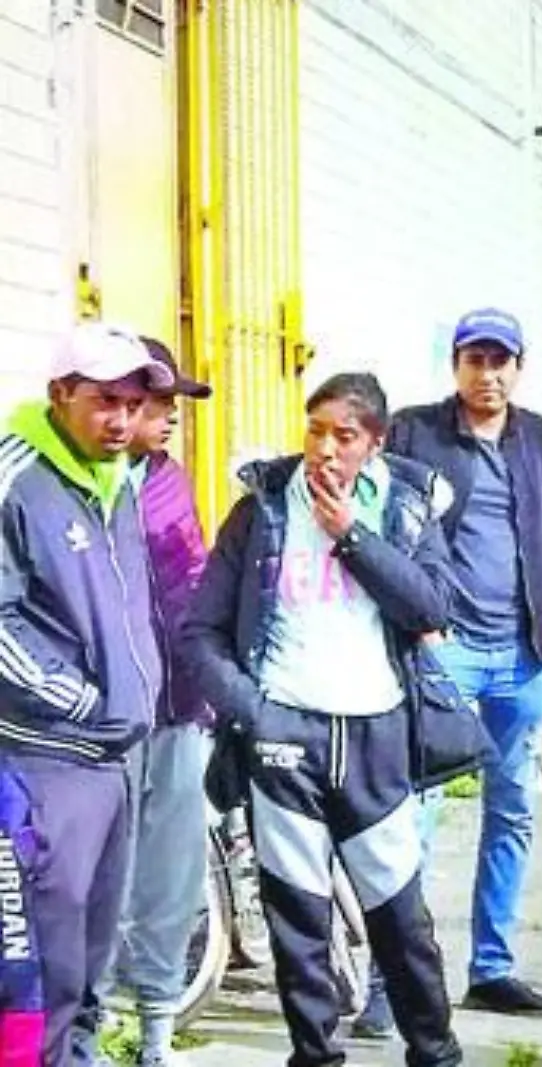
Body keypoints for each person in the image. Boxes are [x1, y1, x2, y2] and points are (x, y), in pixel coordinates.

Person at [181, 373, 462, 1067]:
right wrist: (257, 713)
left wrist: (351, 536)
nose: (326, 449)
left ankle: (435, 1051)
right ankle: (314, 1056)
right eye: (316, 430)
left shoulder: (406, 509)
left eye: (345, 435)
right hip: (287, 736)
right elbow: (200, 632)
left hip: (376, 735)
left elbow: (432, 607)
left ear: (376, 443)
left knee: (401, 917)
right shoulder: (263, 510)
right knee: (298, 919)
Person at [371, 307, 542, 1027]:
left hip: (523, 657)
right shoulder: (415, 433)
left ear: (519, 366)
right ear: (456, 365)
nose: (489, 373)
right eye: (476, 360)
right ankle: (394, 983)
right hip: (440, 650)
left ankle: (493, 966)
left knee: (511, 808)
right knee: (413, 813)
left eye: (501, 360)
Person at [0, 323, 169, 1066]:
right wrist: (82, 699)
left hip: (112, 759)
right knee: (40, 962)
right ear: (60, 393)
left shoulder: (116, 480)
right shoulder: (18, 479)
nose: (122, 421)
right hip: (41, 763)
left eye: (134, 404)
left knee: (92, 954)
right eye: (106, 402)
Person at [108, 339, 215, 1067]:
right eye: (159, 403)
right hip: (103, 719)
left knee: (170, 875)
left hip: (182, 707)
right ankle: (87, 1027)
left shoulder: (170, 478)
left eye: (175, 403)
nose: (171, 416)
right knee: (93, 875)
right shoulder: (69, 486)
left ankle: (154, 1031)